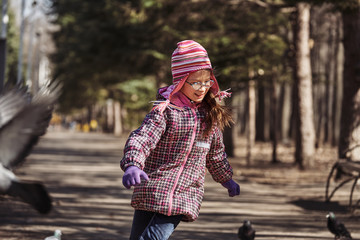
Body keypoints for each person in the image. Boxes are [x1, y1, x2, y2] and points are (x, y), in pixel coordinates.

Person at [120, 40, 240, 240]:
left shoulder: (209, 116)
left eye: (207, 81)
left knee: (152, 238)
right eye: (195, 82)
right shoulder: (165, 112)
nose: (202, 88)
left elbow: (215, 154)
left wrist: (226, 178)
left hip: (185, 194)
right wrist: (133, 164)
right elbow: (143, 138)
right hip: (153, 188)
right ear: (181, 80)